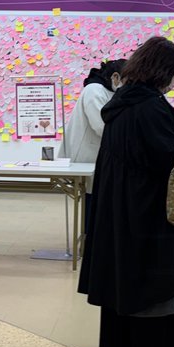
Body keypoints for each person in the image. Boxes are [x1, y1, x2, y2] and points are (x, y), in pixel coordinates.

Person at [78, 37, 174, 347]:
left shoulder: (121, 101)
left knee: (122, 275)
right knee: (156, 281)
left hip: (119, 205)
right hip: (150, 209)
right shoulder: (151, 107)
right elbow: (169, 158)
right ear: (161, 71)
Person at [59, 58, 127, 228]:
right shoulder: (94, 90)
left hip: (101, 153)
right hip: (87, 155)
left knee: (100, 198)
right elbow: (101, 125)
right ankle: (89, 237)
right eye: (127, 81)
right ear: (115, 77)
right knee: (93, 198)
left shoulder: (109, 91)